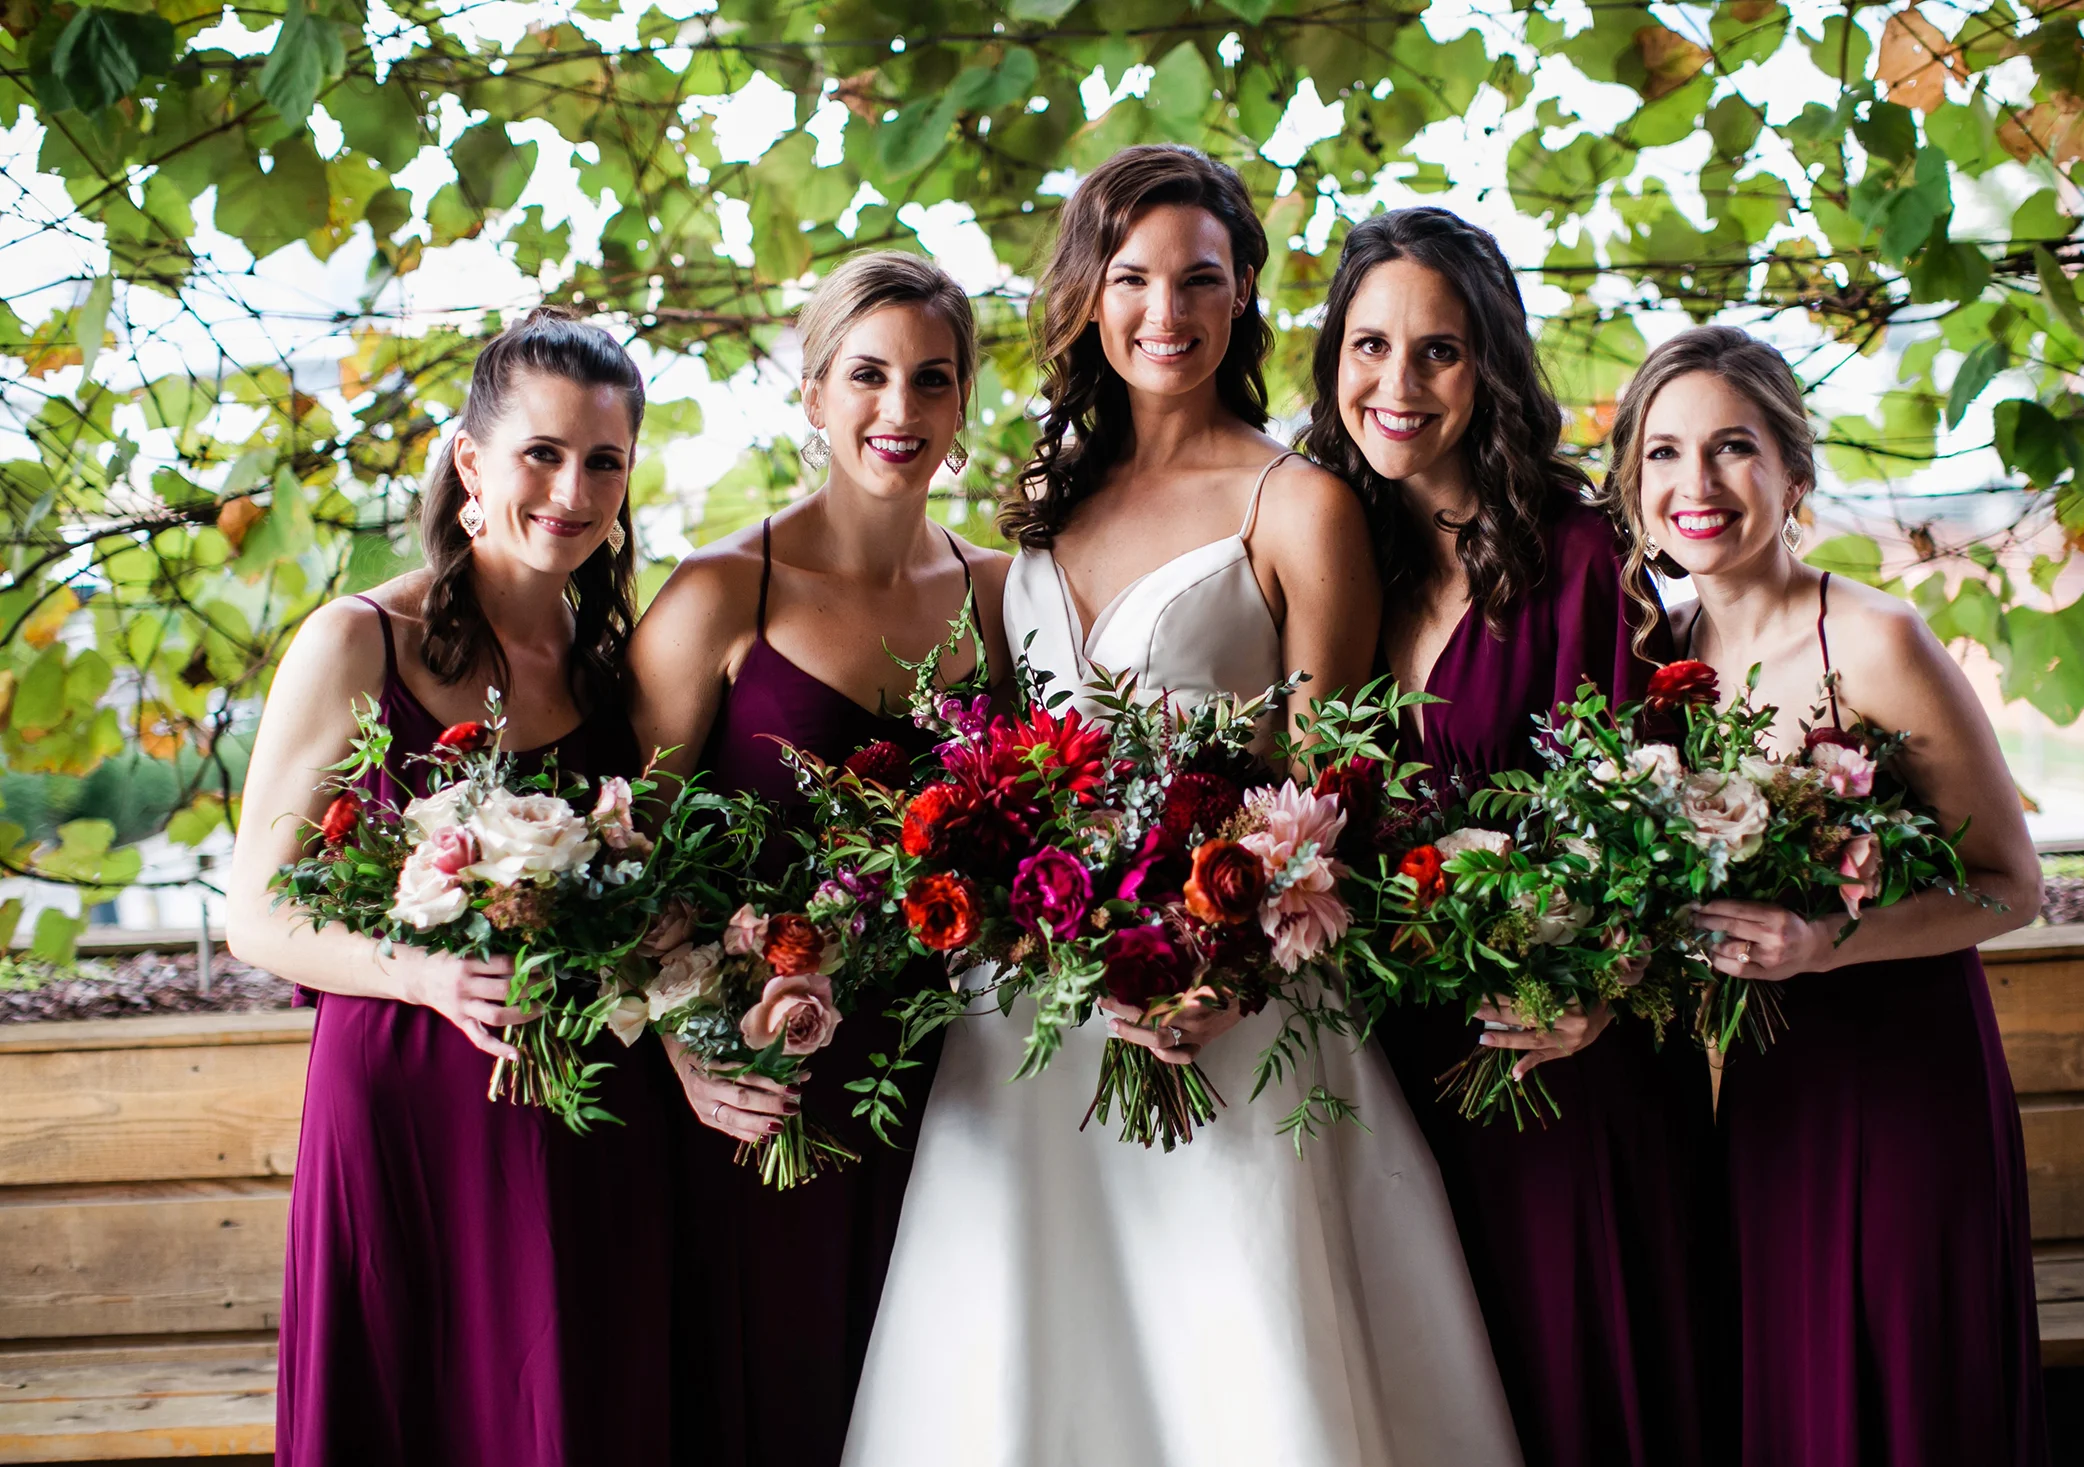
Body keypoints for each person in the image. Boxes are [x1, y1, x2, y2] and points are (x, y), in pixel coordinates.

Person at [843, 147, 1522, 1467]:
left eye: (1201, 279)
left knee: (1241, 1365)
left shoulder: (1298, 499)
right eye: (1134, 276)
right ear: (1089, 295)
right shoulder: (1044, 507)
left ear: (1245, 290)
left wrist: (1231, 965)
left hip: (1233, 1000)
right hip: (1036, 1008)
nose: (1168, 310)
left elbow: (1334, 785)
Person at [1302, 207, 1725, 1467]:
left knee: (1579, 1395)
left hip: (1563, 1074)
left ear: (1491, 364)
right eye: (1369, 344)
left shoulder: (1592, 561)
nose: (1398, 382)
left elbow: (1678, 822)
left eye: (1439, 350)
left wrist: (1602, 988)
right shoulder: (1326, 555)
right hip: (1380, 1077)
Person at [230, 308, 672, 1466]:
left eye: (604, 461)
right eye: (542, 452)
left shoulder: (613, 671)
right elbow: (255, 915)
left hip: (581, 1115)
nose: (571, 490)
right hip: (407, 1106)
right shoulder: (356, 641)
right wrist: (426, 974)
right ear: (472, 462)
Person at [1604, 323, 2047, 1467]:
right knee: (1792, 1404)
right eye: (1661, 453)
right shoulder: (1658, 661)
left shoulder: (1876, 640)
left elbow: (2013, 885)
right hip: (1758, 1092)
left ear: (1794, 474)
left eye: (1732, 448)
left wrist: (1829, 943)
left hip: (1903, 1086)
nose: (1693, 485)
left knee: (1902, 1402)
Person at [626, 251, 1010, 1465]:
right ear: (811, 391)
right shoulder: (719, 593)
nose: (898, 412)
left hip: (960, 1087)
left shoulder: (999, 596)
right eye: (867, 375)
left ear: (962, 403)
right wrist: (689, 1048)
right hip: (767, 1085)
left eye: (931, 380)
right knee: (777, 1397)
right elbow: (627, 855)